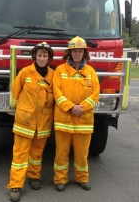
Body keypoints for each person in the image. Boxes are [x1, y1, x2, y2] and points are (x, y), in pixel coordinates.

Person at [7, 42, 55, 202]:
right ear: (34, 56)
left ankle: (34, 177)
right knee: (20, 154)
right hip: (25, 122)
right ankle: (15, 185)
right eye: (39, 55)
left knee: (37, 153)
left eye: (45, 55)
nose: (42, 58)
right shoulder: (25, 73)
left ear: (49, 58)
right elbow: (15, 92)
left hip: (43, 123)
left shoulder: (54, 75)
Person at [52, 36, 100, 192]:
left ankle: (82, 178)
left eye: (80, 51)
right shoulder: (60, 70)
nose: (77, 54)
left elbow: (95, 93)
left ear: (84, 53)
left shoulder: (91, 72)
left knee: (82, 154)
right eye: (74, 51)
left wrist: (82, 108)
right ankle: (60, 180)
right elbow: (56, 93)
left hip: (83, 120)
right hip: (64, 119)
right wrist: (71, 107)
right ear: (69, 53)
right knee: (61, 153)